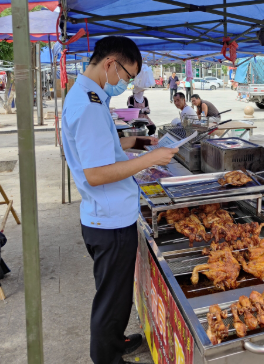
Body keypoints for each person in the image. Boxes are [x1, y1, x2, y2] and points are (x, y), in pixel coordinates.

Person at [61, 36, 178, 364]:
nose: (123, 84)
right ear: (110, 63)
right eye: (126, 76)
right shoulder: (89, 105)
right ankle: (107, 357)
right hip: (108, 221)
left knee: (115, 294)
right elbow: (97, 172)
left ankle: (116, 339)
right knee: (111, 300)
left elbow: (104, 147)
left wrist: (137, 142)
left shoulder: (88, 95)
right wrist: (153, 158)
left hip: (107, 216)